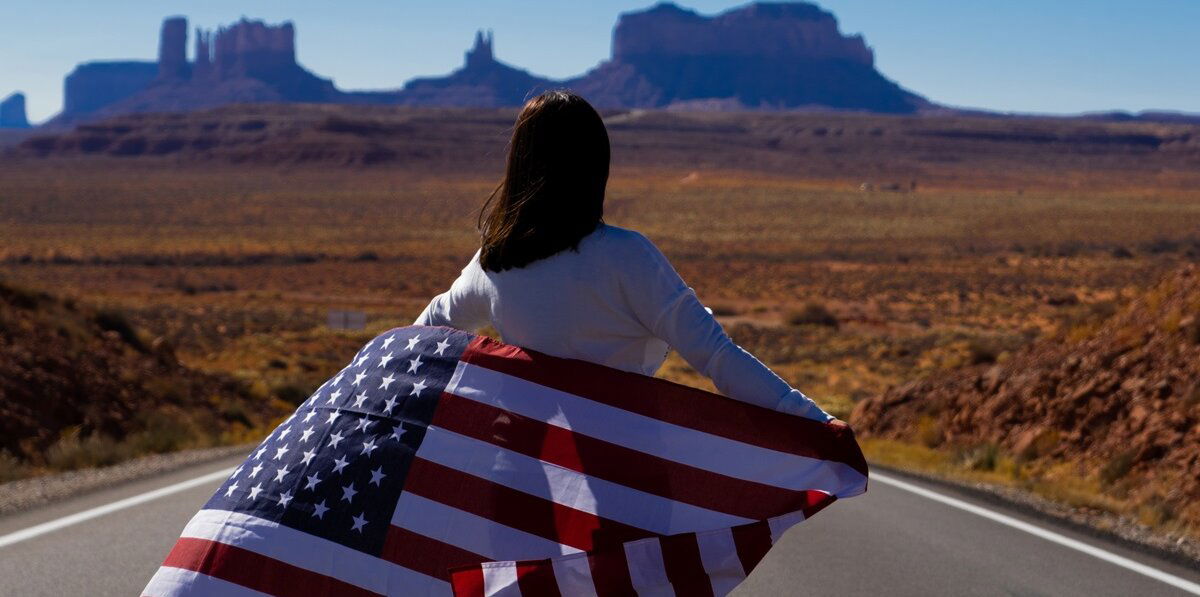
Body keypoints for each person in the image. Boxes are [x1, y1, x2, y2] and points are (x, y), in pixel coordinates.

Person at [415, 90, 831, 422]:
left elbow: (427, 329)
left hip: (526, 470)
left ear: (519, 163)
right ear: (595, 167)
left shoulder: (495, 260)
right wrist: (813, 421)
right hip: (621, 473)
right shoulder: (627, 256)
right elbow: (716, 356)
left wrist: (371, 378)